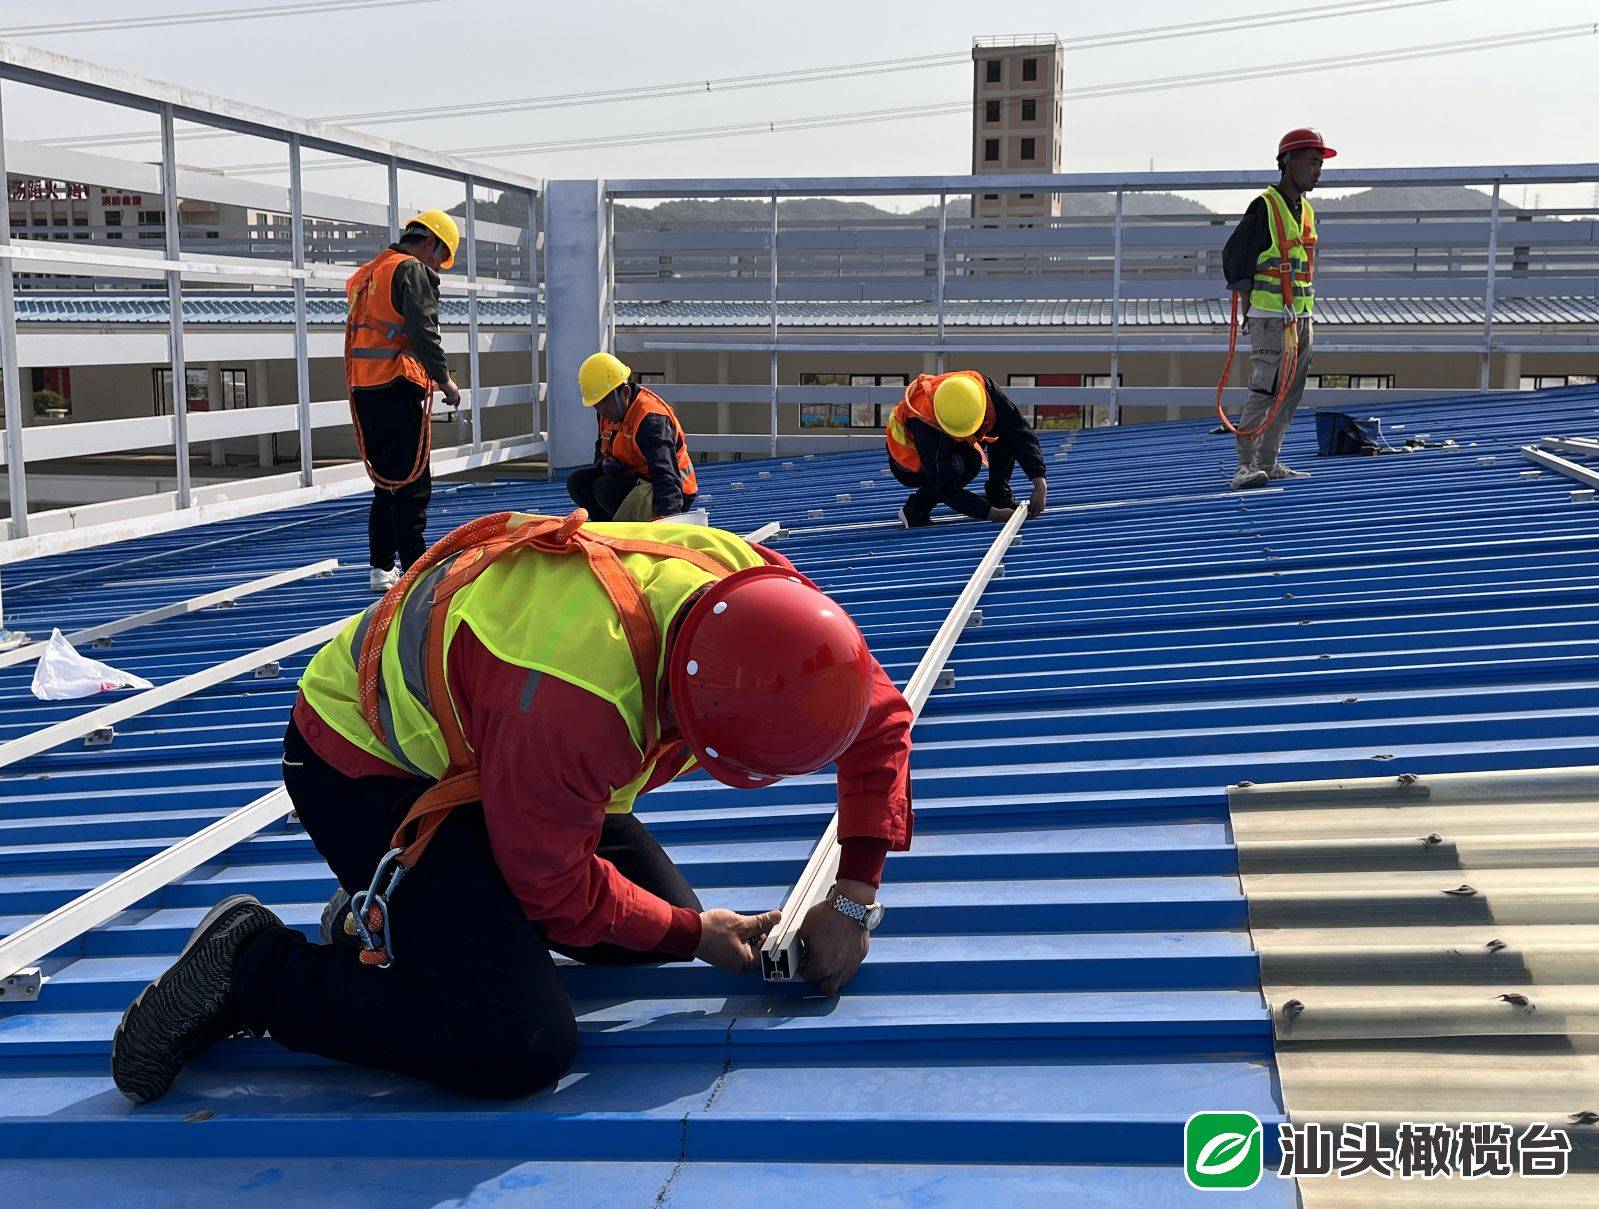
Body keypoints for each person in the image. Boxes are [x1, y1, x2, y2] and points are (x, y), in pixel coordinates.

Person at [110, 511, 913, 1104]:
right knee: (516, 1043)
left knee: (653, 928)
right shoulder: (578, 702)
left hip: (494, 754)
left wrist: (855, 895)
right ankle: (253, 969)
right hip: (361, 764)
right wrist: (693, 935)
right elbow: (557, 893)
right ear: (687, 711)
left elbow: (875, 719)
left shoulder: (770, 607)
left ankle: (403, 917)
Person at [345, 210, 464, 592]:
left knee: (386, 484)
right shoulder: (410, 270)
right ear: (429, 241)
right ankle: (416, 573)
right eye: (440, 257)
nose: (437, 267)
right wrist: (444, 380)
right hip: (396, 385)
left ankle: (381, 569)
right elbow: (424, 331)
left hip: (365, 390)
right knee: (412, 484)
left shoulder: (368, 273)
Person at [1220, 128, 1333, 491]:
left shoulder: (1306, 210)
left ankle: (1269, 461)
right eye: (1312, 162)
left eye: (1320, 163)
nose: (1318, 170)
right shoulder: (1265, 207)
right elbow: (1234, 257)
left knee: (1291, 393)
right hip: (1271, 318)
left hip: (1300, 316)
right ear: (1288, 162)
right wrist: (1251, 304)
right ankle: (1245, 465)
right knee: (1266, 390)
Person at [886, 369, 1047, 528]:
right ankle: (916, 509)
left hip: (945, 437)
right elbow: (944, 486)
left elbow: (1018, 430)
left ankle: (999, 495)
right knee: (959, 465)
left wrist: (1039, 484)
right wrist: (992, 514)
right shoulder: (926, 426)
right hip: (908, 464)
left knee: (1003, 432)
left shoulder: (983, 389)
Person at [566, 353, 698, 522]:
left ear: (625, 392)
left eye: (605, 402)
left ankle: (631, 528)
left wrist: (670, 522)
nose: (601, 410)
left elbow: (666, 474)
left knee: (604, 489)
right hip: (638, 480)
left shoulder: (650, 420)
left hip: (673, 493)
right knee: (578, 482)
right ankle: (609, 531)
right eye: (596, 405)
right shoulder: (608, 413)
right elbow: (602, 448)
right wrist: (604, 464)